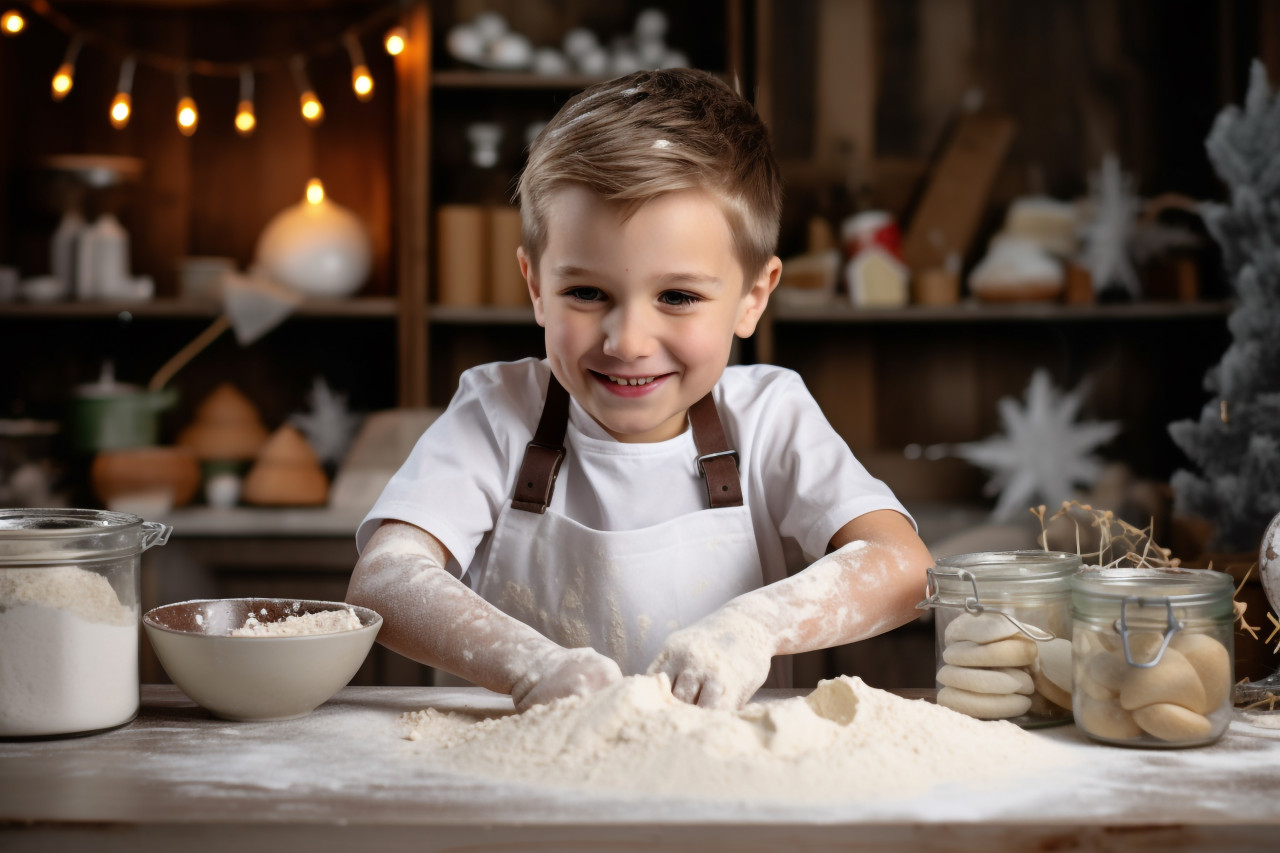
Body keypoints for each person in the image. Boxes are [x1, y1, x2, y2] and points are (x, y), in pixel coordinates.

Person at [346, 68, 933, 712]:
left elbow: (901, 567)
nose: (627, 340)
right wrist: (531, 668)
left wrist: (753, 627)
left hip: (721, 785)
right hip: (522, 787)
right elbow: (384, 580)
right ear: (536, 287)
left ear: (752, 298)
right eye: (586, 293)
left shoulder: (769, 416)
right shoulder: (496, 411)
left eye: (677, 296)